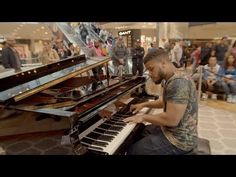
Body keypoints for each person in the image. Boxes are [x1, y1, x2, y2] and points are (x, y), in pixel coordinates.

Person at [123, 50, 198, 155]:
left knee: (134, 151)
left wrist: (143, 117)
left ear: (163, 63)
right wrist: (143, 104)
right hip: (172, 131)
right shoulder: (174, 77)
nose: (149, 73)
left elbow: (171, 120)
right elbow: (164, 101)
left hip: (180, 140)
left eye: (151, 69)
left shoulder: (178, 82)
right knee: (140, 131)